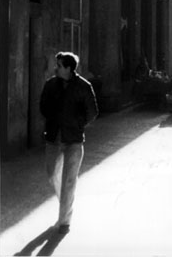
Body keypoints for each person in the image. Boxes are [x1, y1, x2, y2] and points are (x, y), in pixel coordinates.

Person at [40, 51, 99, 234]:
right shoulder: (51, 85)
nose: (55, 68)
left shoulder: (83, 86)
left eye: (59, 65)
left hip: (73, 140)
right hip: (54, 138)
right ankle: (65, 202)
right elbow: (43, 106)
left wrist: (77, 124)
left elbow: (92, 111)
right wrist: (52, 119)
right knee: (52, 174)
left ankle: (64, 220)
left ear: (68, 68)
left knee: (69, 181)